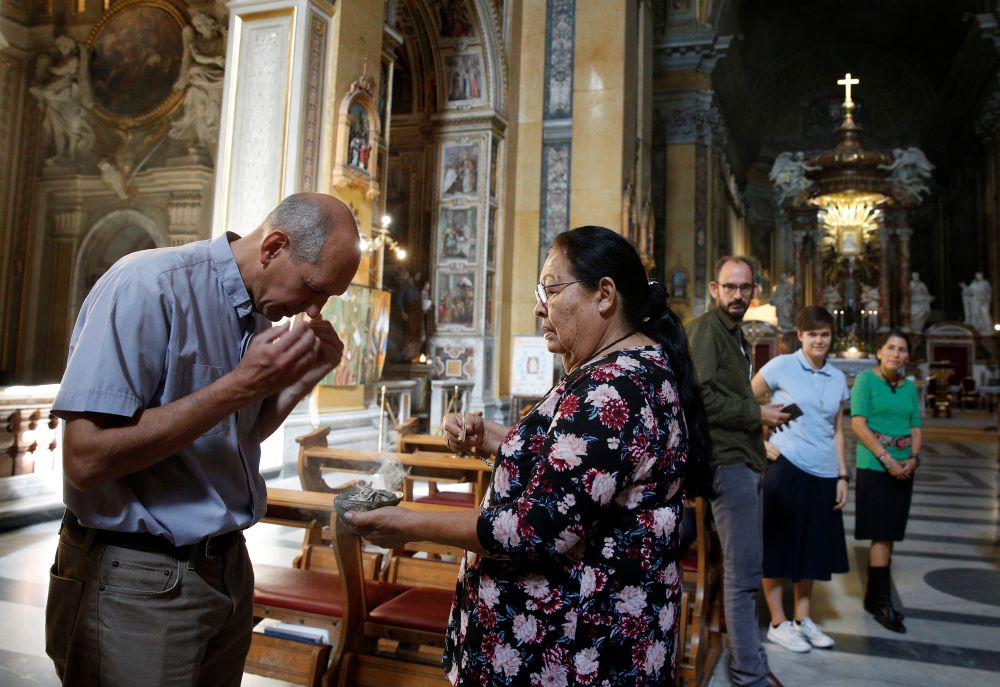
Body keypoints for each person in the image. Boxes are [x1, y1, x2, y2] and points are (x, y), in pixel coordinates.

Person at [345, 226, 713, 685]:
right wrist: (492, 440)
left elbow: (536, 527)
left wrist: (410, 524)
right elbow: (576, 461)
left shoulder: (613, 387)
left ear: (604, 295)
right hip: (573, 637)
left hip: (572, 648)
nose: (540, 305)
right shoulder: (620, 368)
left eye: (552, 289)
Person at [45, 193, 362, 685]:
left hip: (224, 570)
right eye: (313, 288)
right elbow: (85, 459)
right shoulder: (149, 285)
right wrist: (238, 385)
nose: (314, 308)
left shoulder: (259, 312)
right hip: (137, 575)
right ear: (273, 246)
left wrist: (297, 382)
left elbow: (234, 437)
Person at [686, 256, 789, 687]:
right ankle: (750, 674)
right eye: (730, 287)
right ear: (714, 289)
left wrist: (759, 434)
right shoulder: (707, 331)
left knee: (741, 569)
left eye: (745, 288)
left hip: (740, 456)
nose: (737, 295)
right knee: (745, 573)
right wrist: (758, 411)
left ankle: (748, 664)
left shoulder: (735, 335)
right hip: (725, 462)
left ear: (754, 292)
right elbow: (702, 399)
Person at [751, 306, 850, 654]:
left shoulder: (837, 377)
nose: (819, 340)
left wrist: (842, 475)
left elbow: (838, 430)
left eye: (825, 334)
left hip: (824, 471)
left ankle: (802, 618)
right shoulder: (782, 365)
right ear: (800, 336)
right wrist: (760, 443)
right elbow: (746, 402)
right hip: (787, 465)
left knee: (812, 549)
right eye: (813, 334)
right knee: (778, 545)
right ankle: (778, 623)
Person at [851, 329, 922, 633]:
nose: (896, 354)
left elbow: (916, 426)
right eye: (890, 348)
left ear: (908, 356)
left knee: (890, 533)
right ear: (879, 352)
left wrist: (913, 458)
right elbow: (858, 424)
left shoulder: (909, 387)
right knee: (880, 535)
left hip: (905, 466)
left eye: (902, 349)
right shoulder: (866, 381)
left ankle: (872, 598)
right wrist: (888, 459)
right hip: (875, 465)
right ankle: (882, 602)